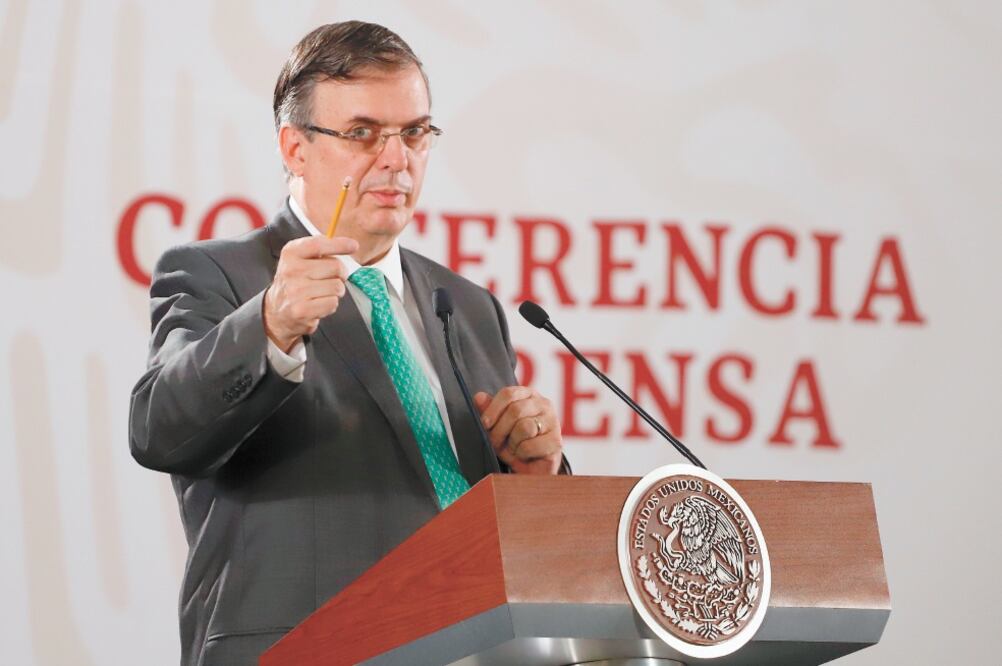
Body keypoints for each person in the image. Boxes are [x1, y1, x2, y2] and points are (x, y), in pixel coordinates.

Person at [129, 21, 567, 666]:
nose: (396, 159)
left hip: (475, 645)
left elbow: (509, 527)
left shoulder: (470, 307)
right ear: (295, 148)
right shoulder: (219, 274)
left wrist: (537, 476)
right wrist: (272, 324)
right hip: (306, 647)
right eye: (362, 133)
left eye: (414, 132)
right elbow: (158, 429)